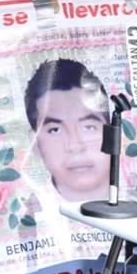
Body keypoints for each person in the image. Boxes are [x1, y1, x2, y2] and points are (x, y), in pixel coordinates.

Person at [24, 58, 111, 202]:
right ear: (35, 144)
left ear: (114, 133)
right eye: (55, 130)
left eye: (88, 127)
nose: (75, 146)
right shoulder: (26, 211)